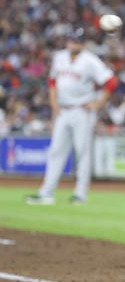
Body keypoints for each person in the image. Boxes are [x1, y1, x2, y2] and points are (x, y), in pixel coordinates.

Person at [25, 27, 118, 205]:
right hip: (62, 110)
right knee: (55, 151)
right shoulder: (59, 57)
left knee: (82, 153)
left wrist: (98, 103)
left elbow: (111, 82)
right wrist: (53, 103)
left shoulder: (90, 60)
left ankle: (80, 194)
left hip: (82, 111)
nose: (73, 43)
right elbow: (52, 81)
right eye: (71, 39)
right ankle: (46, 193)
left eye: (77, 40)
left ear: (83, 43)